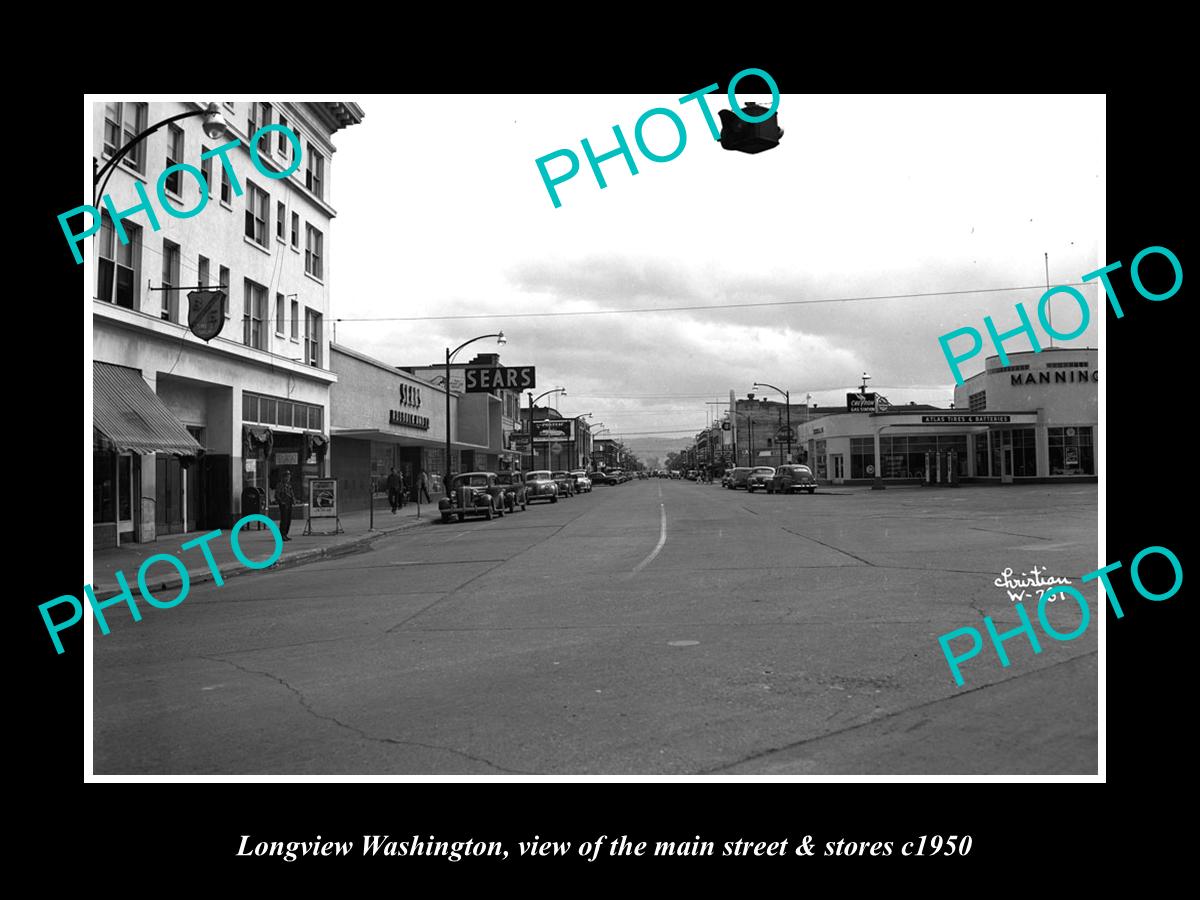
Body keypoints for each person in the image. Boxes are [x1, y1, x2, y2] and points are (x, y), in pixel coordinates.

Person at [276, 469, 296, 541]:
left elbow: (291, 493)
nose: (288, 478)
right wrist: (281, 502)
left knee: (288, 520)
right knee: (284, 520)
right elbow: (277, 495)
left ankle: (286, 534)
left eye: (289, 477)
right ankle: (282, 534)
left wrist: (294, 500)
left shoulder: (289, 485)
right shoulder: (280, 485)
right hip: (284, 504)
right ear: (283, 477)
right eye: (287, 477)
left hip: (289, 503)